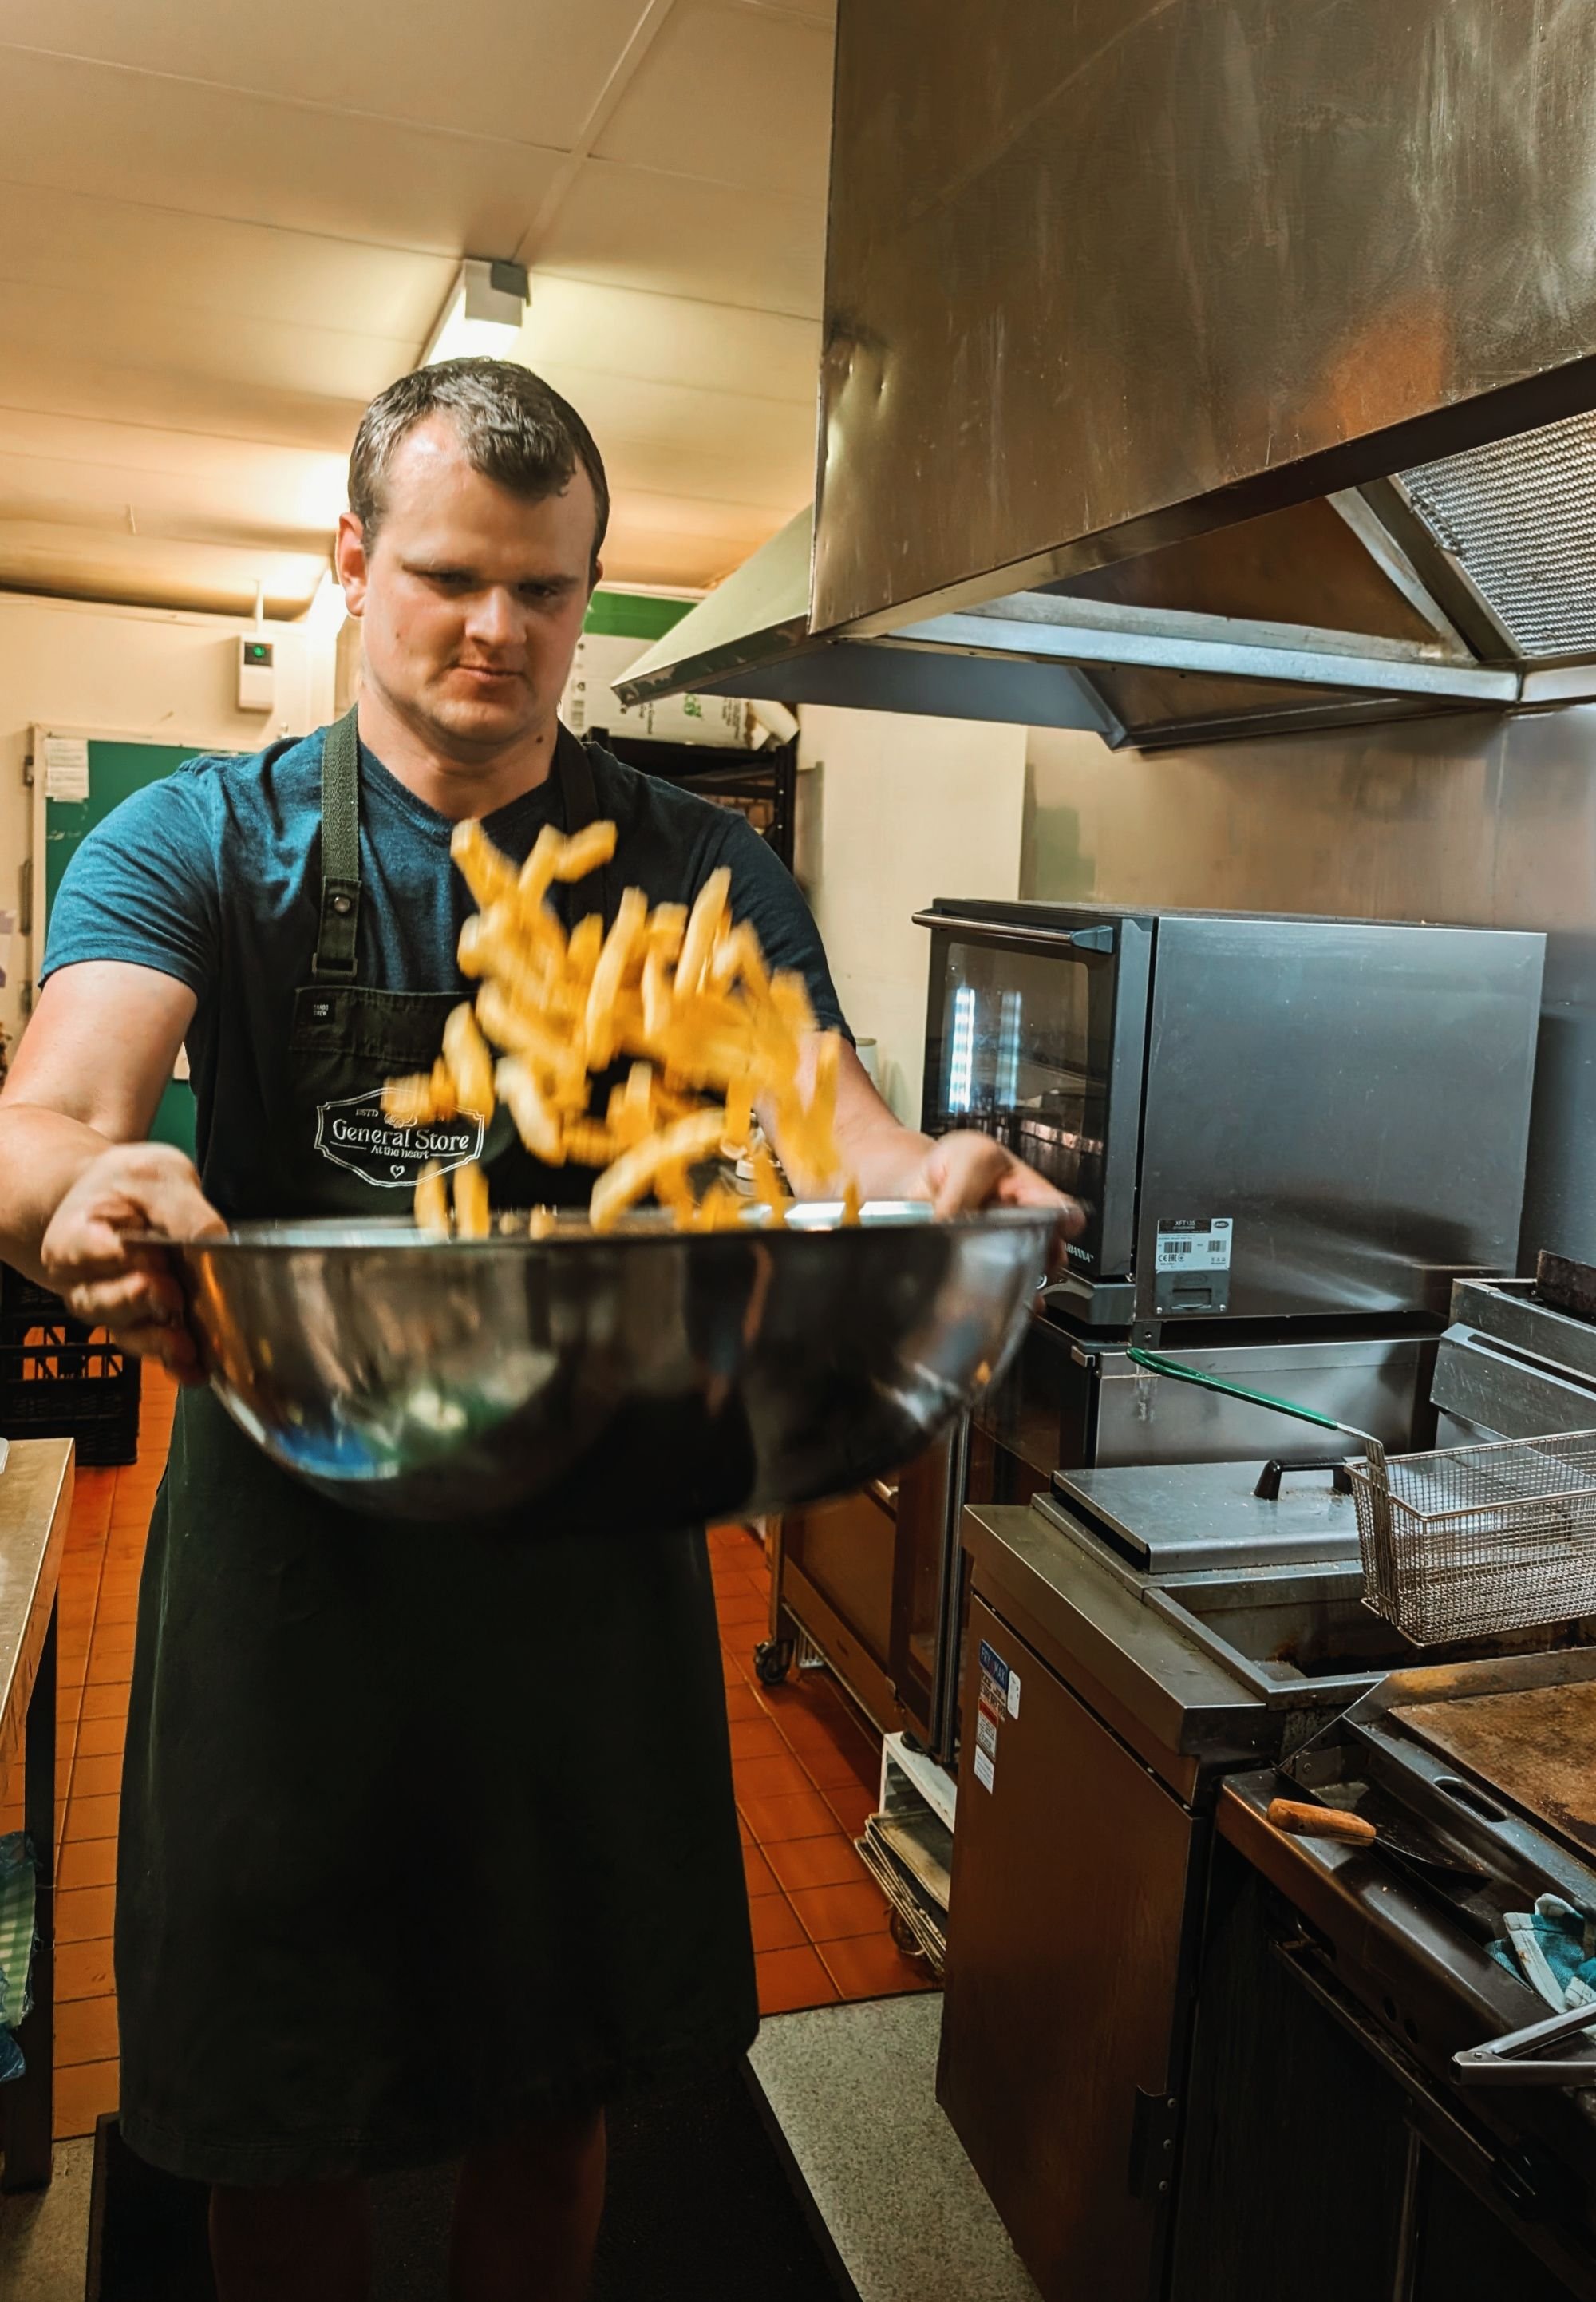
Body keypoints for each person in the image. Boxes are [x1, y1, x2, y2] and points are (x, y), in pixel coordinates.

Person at [0, 360, 1075, 2301]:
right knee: (277, 2107)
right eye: (446, 576)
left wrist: (929, 1190)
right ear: (351, 560)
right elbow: (51, 1105)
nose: (499, 627)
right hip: (288, 1562)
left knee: (558, 2088)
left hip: (588, 1549)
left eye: (549, 591)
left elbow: (839, 1127)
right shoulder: (204, 844)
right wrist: (80, 1186)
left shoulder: (686, 869)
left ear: (591, 593)